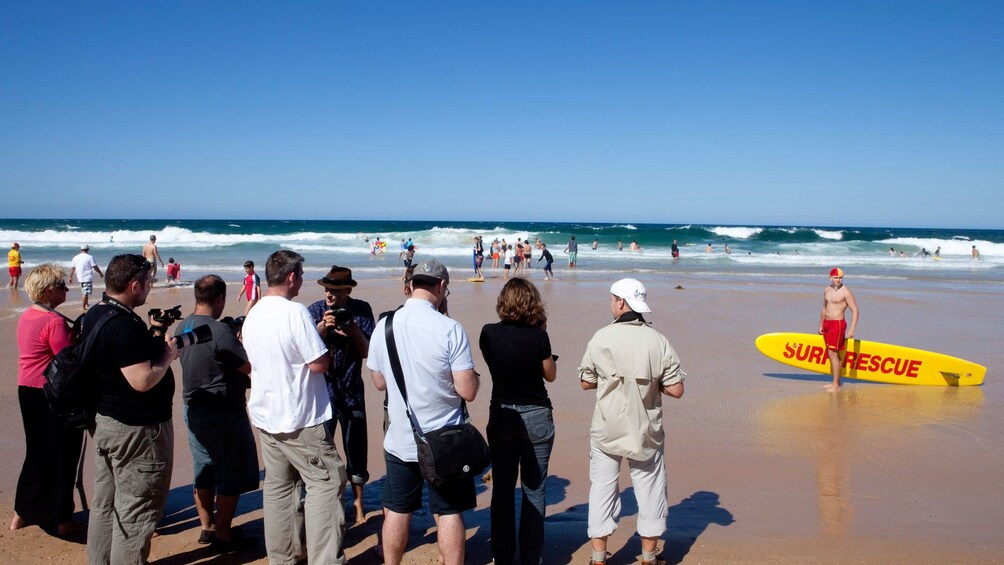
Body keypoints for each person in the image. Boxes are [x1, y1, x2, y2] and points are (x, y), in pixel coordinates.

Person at [366, 259, 479, 565]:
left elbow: (378, 382)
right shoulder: (449, 328)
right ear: (442, 287)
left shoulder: (384, 325)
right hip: (444, 441)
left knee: (398, 509)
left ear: (412, 284)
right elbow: (467, 390)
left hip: (401, 437)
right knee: (449, 511)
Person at [241, 250, 347, 564]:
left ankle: (282, 558)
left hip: (266, 414)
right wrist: (324, 348)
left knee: (278, 488)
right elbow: (318, 363)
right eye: (300, 275)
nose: (301, 281)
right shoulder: (294, 312)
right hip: (299, 416)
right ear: (291, 277)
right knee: (326, 484)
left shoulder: (256, 312)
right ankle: (324, 559)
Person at [579, 279, 686, 565]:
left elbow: (585, 382)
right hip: (644, 430)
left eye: (613, 299)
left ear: (621, 303)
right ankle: (649, 557)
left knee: (602, 488)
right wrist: (655, 384)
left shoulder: (601, 337)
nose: (611, 304)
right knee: (650, 490)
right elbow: (676, 389)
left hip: (606, 428)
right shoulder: (658, 340)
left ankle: (598, 557)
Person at [86, 254, 179, 564]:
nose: (151, 288)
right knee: (137, 513)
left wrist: (152, 334)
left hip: (107, 422)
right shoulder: (123, 325)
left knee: (104, 505)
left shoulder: (95, 314)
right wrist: (167, 355)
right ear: (134, 284)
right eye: (149, 282)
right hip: (138, 432)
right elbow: (141, 380)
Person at [176, 275, 258, 549]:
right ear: (220, 298)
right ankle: (223, 532)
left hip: (193, 406)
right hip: (223, 410)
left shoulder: (182, 326)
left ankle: (207, 526)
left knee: (204, 469)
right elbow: (247, 367)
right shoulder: (220, 332)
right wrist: (241, 340)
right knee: (230, 472)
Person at [480, 278, 557, 565]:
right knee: (534, 490)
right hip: (535, 412)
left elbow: (494, 363)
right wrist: (542, 333)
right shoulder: (539, 337)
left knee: (502, 489)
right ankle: (530, 557)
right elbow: (550, 374)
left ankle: (502, 555)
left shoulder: (488, 333)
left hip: (502, 413)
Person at [11, 265, 85, 537]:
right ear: (47, 291)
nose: (66, 289)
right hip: (50, 393)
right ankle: (62, 518)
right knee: (63, 455)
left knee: (37, 451)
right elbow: (67, 361)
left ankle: (22, 511)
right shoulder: (54, 321)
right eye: (62, 286)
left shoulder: (28, 314)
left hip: (27, 389)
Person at [306, 266, 376, 524]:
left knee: (356, 448)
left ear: (347, 291)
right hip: (321, 393)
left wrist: (353, 330)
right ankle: (331, 499)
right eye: (327, 289)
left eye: (335, 290)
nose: (329, 295)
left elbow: (368, 351)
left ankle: (358, 501)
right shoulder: (314, 310)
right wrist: (323, 327)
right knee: (322, 449)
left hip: (351, 390)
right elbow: (307, 349)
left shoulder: (362, 310)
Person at [819, 267, 859, 392]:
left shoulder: (845, 292)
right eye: (836, 278)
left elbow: (855, 311)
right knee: (830, 353)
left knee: (833, 353)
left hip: (838, 324)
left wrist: (852, 329)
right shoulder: (827, 290)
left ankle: (835, 385)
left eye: (840, 278)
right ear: (830, 277)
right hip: (827, 323)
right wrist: (821, 324)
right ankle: (835, 382)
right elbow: (824, 308)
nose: (838, 280)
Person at [69, 244, 104, 311]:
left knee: (85, 291)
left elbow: (72, 268)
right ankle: (83, 307)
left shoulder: (75, 257)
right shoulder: (90, 257)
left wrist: (70, 276)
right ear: (88, 250)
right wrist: (100, 273)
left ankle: (87, 304)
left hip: (80, 277)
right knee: (85, 292)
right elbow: (95, 266)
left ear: (80, 250)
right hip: (87, 277)